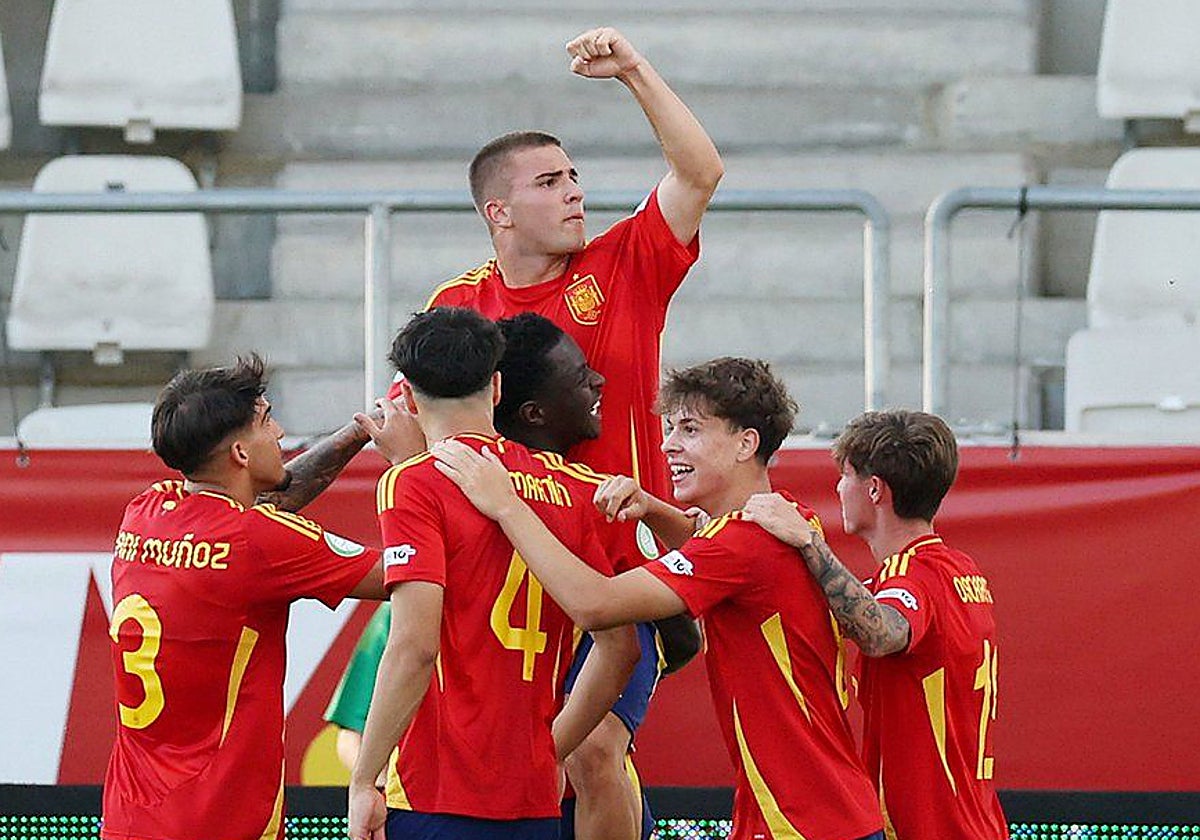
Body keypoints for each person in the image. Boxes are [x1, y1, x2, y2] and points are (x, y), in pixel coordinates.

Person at [421, 30, 721, 839]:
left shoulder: (624, 263)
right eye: (550, 182)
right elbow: (419, 436)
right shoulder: (455, 305)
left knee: (588, 751)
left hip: (613, 565)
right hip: (507, 582)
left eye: (576, 177)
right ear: (499, 211)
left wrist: (633, 72)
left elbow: (701, 172)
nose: (575, 194)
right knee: (535, 768)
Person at [432, 357, 885, 840]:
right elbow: (703, 536)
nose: (669, 444)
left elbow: (595, 604)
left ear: (745, 443)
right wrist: (650, 508)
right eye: (669, 428)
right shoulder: (782, 515)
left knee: (597, 749)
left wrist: (506, 505)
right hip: (815, 810)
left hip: (805, 821)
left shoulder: (744, 543)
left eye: (690, 429)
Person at [347, 307, 639, 840]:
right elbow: (621, 644)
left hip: (434, 790)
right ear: (497, 387)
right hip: (531, 800)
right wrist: (552, 747)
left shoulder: (414, 482)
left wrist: (364, 779)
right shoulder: (573, 487)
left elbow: (414, 646)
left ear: (408, 398)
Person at [102, 355, 386, 840]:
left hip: (130, 821)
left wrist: (356, 434)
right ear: (239, 452)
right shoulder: (258, 542)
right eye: (266, 420)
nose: (278, 433)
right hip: (222, 821)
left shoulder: (146, 510)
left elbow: (258, 508)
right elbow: (408, 573)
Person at [741, 410, 1010, 840]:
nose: (837, 487)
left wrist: (810, 542)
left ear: (874, 489)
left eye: (844, 475)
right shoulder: (960, 571)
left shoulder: (913, 574)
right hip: (976, 823)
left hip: (931, 828)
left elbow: (881, 632)